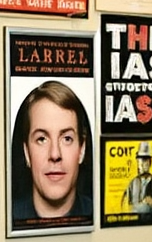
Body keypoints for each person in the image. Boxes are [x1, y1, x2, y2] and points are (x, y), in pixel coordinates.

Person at [12, 80, 93, 223]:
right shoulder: (8, 219)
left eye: (67, 139)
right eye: (42, 139)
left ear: (82, 149)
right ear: (26, 152)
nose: (55, 154)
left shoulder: (97, 216)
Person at [122, 145, 152, 222]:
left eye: (144, 160)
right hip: (135, 222)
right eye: (140, 161)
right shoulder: (133, 183)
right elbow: (126, 206)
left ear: (150, 162)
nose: (142, 164)